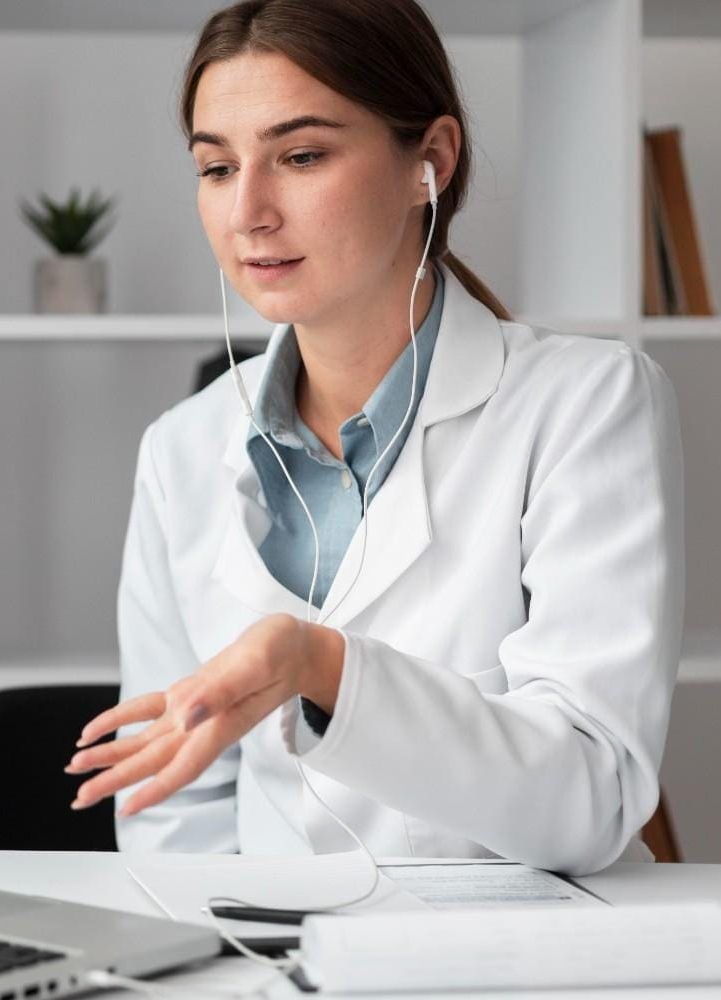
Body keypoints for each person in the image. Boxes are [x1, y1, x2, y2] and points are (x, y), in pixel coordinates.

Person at [62, 0, 684, 877]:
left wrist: (324, 669)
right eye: (215, 167)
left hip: (519, 958)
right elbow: (175, 810)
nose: (248, 213)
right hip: (274, 957)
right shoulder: (182, 450)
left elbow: (590, 798)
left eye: (302, 156)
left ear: (428, 161)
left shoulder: (587, 405)